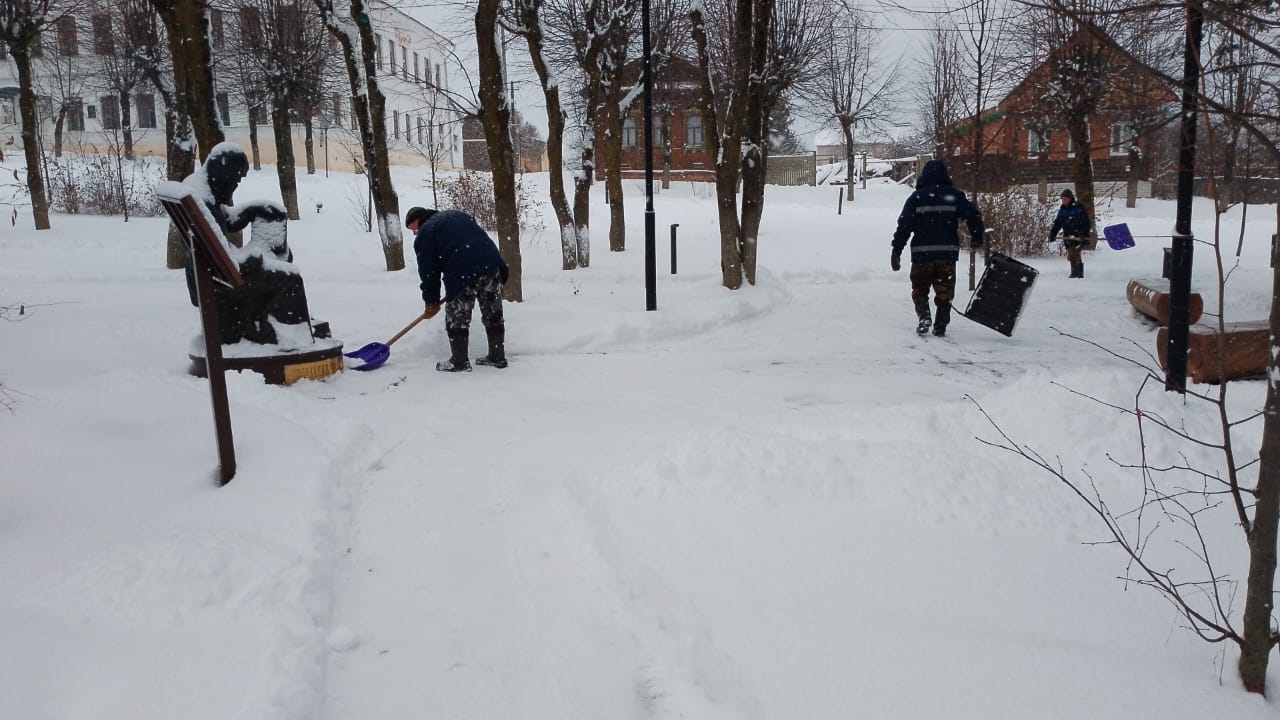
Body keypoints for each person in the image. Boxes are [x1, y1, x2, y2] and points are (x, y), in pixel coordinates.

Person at [183, 143, 313, 346]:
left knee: (278, 262)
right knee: (291, 278)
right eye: (235, 180)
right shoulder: (204, 199)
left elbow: (222, 223)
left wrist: (252, 210)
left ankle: (275, 322)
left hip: (211, 278)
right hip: (223, 283)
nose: (236, 185)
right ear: (223, 173)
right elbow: (229, 262)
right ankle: (287, 335)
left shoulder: (197, 188)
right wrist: (256, 257)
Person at [407, 206, 509, 371]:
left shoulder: (425, 233)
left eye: (413, 229)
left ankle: (459, 361)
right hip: (492, 264)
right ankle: (497, 356)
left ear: (419, 220)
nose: (415, 233)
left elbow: (429, 273)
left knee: (458, 317)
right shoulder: (457, 214)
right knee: (493, 312)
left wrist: (431, 301)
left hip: (462, 271)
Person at [891, 159, 986, 337]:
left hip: (921, 253)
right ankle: (941, 324)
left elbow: (904, 225)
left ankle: (924, 316)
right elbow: (973, 215)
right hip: (947, 252)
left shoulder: (917, 198)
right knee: (945, 290)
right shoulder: (954, 196)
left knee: (920, 288)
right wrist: (977, 236)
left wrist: (897, 250)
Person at [1049, 188, 1092, 278]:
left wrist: (1083, 234)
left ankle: (1078, 273)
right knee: (1072, 254)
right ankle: (1075, 272)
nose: (1063, 201)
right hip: (1069, 237)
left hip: (1079, 236)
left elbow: (1086, 222)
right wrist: (1052, 234)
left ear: (1070, 198)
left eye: (1065, 199)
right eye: (1062, 199)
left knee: (1075, 253)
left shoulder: (1078, 208)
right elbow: (1057, 223)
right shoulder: (1062, 210)